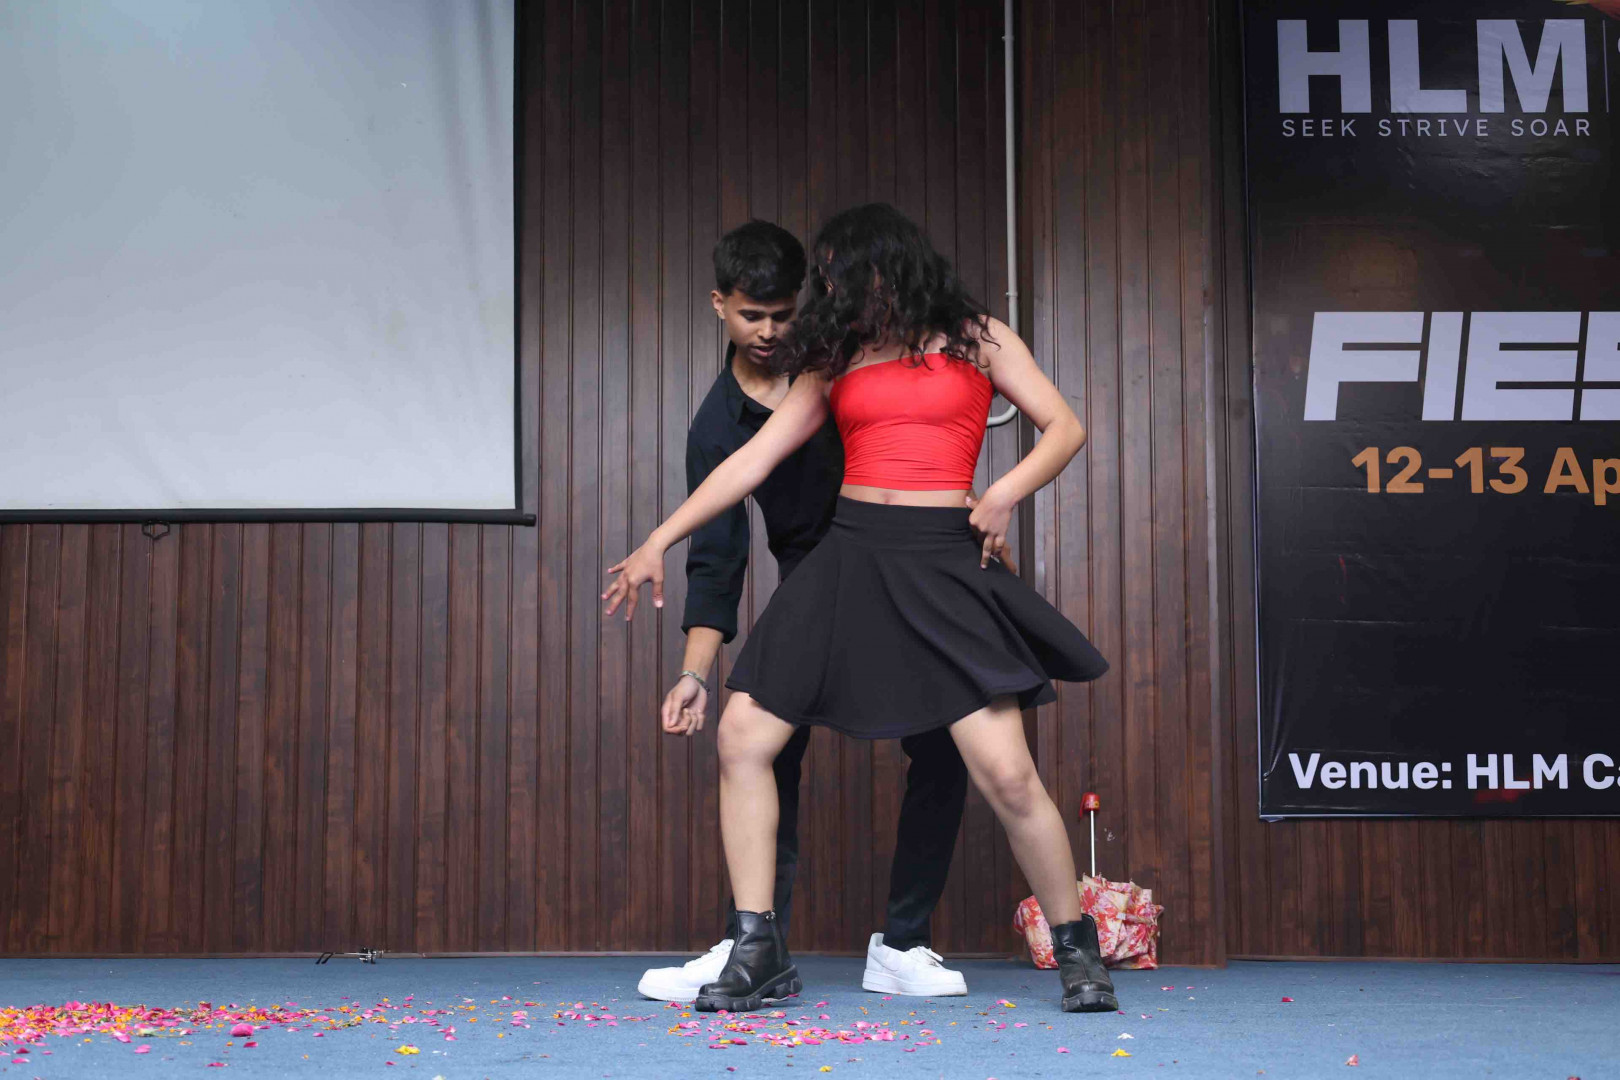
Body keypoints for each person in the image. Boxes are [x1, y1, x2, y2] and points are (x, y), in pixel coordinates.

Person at [606, 203, 1114, 1015]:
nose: (831, 290)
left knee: (1008, 774)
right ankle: (758, 947)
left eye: (839, 273)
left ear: (888, 266)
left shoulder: (978, 337)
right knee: (743, 735)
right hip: (849, 557)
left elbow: (1064, 426)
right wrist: (656, 541)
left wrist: (1005, 494)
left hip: (941, 560)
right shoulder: (835, 357)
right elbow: (752, 459)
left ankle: (1077, 951)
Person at [634, 220, 973, 1003]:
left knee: (948, 741)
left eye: (783, 314)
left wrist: (970, 521)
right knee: (761, 746)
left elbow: (919, 450)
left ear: (807, 301)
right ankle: (755, 944)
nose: (768, 331)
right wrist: (693, 673)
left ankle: (905, 944)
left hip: (903, 571)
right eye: (751, 315)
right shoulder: (716, 427)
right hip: (813, 584)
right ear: (720, 305)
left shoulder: (846, 367)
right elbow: (718, 559)